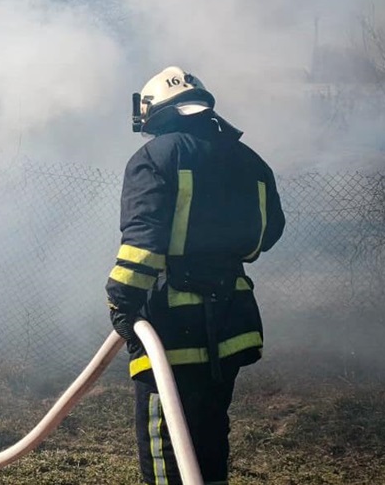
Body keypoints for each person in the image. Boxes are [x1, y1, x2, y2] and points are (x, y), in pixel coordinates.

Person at [106, 66, 285, 485]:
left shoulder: (154, 157)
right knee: (208, 435)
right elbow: (267, 234)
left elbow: (142, 245)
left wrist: (121, 302)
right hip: (231, 326)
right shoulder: (251, 161)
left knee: (165, 439)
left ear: (154, 112)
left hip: (169, 326)